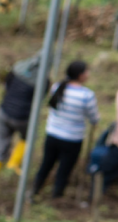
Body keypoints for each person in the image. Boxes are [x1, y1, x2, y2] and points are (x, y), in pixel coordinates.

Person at [31, 60, 99, 199]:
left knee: (46, 163)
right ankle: (57, 195)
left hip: (52, 134)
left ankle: (34, 190)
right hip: (72, 139)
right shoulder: (86, 95)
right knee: (65, 168)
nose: (88, 74)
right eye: (87, 71)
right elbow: (94, 118)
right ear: (81, 75)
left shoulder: (57, 87)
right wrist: (95, 120)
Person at [0, 53, 43, 175]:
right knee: (28, 137)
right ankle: (13, 164)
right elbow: (40, 98)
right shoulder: (42, 81)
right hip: (22, 118)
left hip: (4, 111)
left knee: (2, 140)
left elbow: (7, 84)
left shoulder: (18, 69)